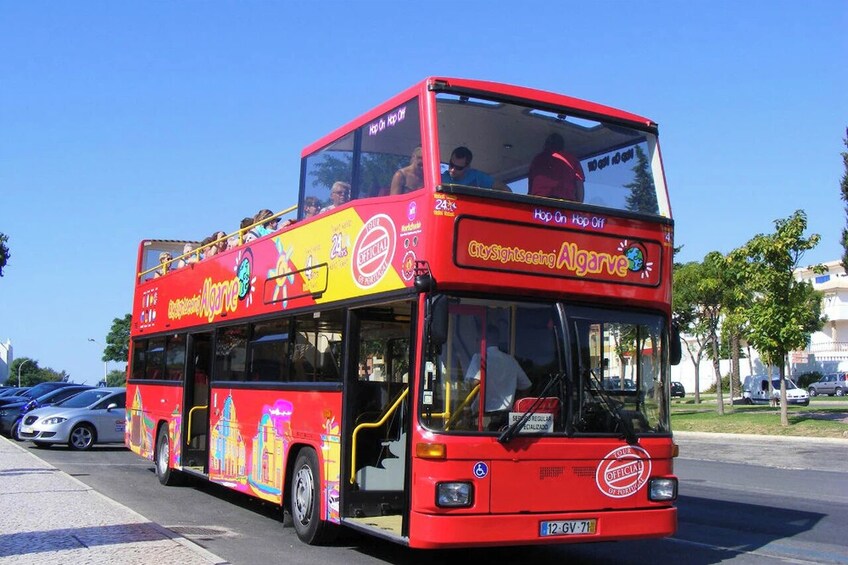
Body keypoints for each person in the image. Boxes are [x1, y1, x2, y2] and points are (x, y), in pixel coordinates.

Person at [464, 325, 531, 429]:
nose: (476, 342)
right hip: (506, 419)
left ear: (483, 340)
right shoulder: (511, 360)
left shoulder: (479, 358)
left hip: (482, 418)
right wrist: (515, 405)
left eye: (478, 339)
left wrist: (466, 407)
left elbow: (475, 383)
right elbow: (526, 386)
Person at [528, 133, 585, 202]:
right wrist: (578, 208)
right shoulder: (571, 160)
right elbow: (579, 185)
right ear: (562, 146)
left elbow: (530, 186)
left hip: (540, 203)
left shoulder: (537, 159)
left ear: (546, 145)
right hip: (564, 204)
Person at [441, 146, 511, 192]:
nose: (452, 169)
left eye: (459, 168)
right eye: (451, 164)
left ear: (467, 167)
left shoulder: (476, 177)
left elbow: (505, 189)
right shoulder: (440, 178)